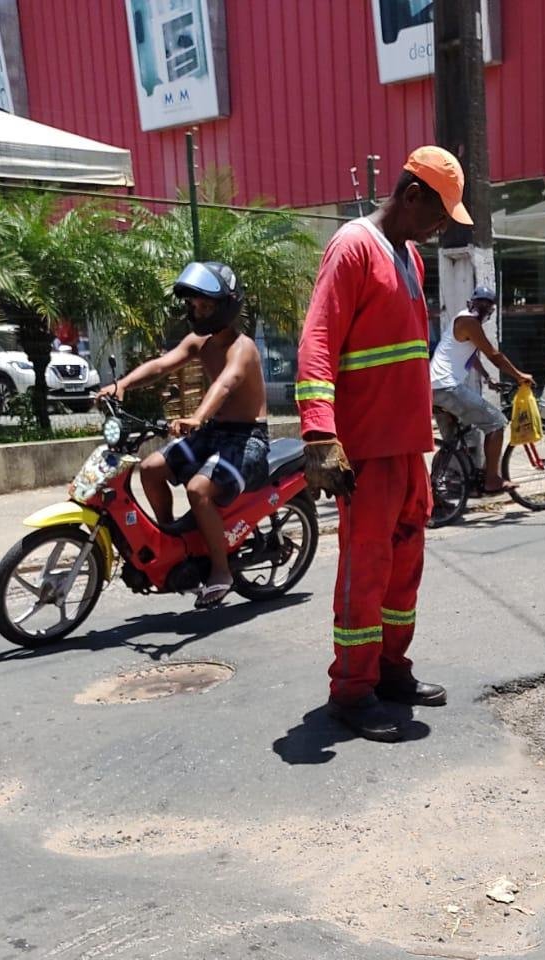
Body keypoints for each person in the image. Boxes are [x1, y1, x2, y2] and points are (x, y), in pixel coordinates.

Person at [296, 145, 470, 743]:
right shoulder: (353, 247)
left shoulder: (410, 257)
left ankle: (392, 671)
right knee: (365, 570)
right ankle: (352, 690)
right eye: (440, 213)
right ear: (412, 194)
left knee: (403, 570)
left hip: (406, 448)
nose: (441, 226)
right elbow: (317, 342)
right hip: (365, 450)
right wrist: (320, 432)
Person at [98, 261, 269, 609]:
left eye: (205, 305)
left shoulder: (242, 347)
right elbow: (162, 364)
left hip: (247, 439)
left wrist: (197, 416)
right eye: (194, 305)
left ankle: (222, 572)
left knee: (198, 489)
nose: (197, 311)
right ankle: (174, 541)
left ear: (226, 305)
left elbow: (226, 383)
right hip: (214, 432)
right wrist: (122, 385)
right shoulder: (199, 341)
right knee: (149, 469)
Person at [430, 286, 535, 494]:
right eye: (482, 304)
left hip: (435, 388)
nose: (484, 308)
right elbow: (494, 355)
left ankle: (434, 488)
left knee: (452, 444)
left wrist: (488, 378)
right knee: (496, 423)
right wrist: (519, 375)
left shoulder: (462, 319)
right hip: (447, 387)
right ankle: (492, 480)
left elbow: (472, 354)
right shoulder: (470, 322)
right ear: (475, 303)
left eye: (487, 305)